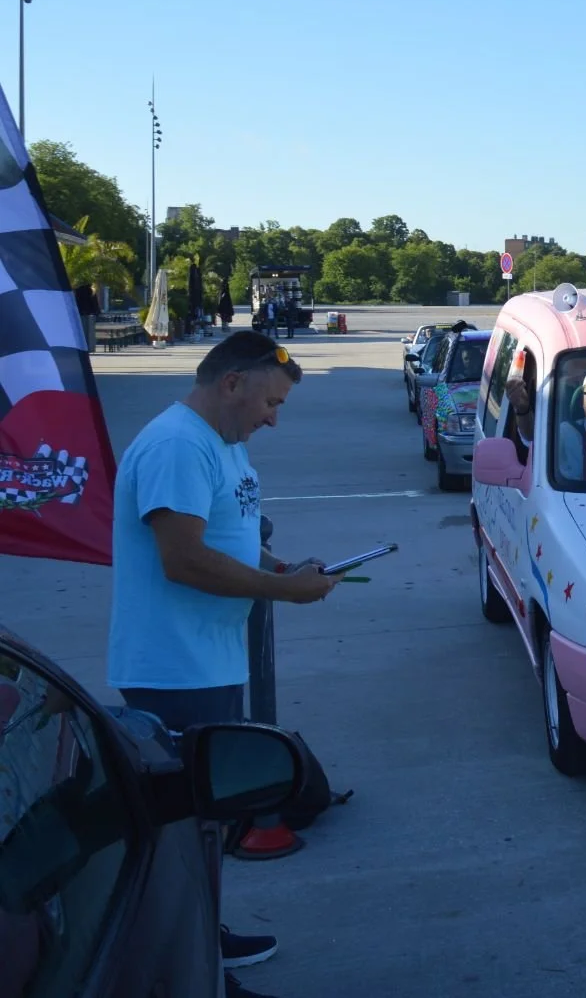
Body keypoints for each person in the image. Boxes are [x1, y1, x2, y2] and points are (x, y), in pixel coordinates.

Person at [105, 330, 342, 996]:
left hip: (210, 660)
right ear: (231, 383)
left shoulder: (224, 444)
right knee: (179, 837)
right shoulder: (178, 444)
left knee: (205, 824)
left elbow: (227, 534)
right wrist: (283, 590)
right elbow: (181, 558)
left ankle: (205, 938)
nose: (273, 417)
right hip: (173, 669)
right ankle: (193, 972)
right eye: (269, 401)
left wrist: (279, 566)